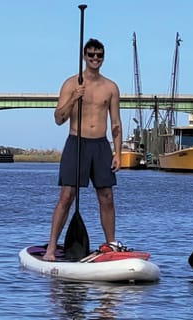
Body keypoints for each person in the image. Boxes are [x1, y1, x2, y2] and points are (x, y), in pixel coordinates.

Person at [45, 38, 123, 261]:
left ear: (103, 57)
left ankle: (111, 246)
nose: (95, 59)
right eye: (91, 55)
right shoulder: (71, 84)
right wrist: (73, 98)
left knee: (107, 196)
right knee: (67, 196)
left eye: (99, 55)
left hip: (100, 145)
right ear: (84, 56)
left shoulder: (111, 87)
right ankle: (51, 248)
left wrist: (118, 152)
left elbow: (116, 123)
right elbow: (58, 118)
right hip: (76, 142)